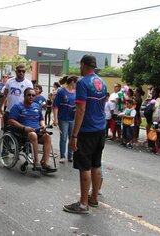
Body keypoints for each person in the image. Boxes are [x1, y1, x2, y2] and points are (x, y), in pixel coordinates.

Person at [63, 55, 107, 214]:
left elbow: (80, 110)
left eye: (80, 65)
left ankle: (83, 203)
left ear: (83, 65)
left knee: (84, 166)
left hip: (87, 130)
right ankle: (93, 198)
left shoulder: (82, 82)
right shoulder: (101, 82)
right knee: (96, 164)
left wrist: (74, 136)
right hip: (100, 129)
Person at [9, 87, 56, 172]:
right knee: (33, 134)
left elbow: (41, 119)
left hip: (37, 131)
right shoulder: (17, 106)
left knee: (48, 137)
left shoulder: (37, 106)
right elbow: (11, 121)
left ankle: (45, 163)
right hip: (23, 133)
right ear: (24, 96)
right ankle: (36, 162)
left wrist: (43, 126)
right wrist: (24, 128)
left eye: (33, 95)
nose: (31, 97)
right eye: (29, 95)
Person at [0, 65, 33, 132]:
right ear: (16, 72)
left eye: (23, 71)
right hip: (9, 111)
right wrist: (0, 108)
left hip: (22, 112)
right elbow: (4, 95)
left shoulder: (28, 84)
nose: (21, 73)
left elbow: (31, 99)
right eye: (19, 71)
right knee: (7, 132)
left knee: (20, 133)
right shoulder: (9, 81)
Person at [52, 75, 78, 163]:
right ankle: (62, 155)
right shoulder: (61, 91)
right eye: (76, 83)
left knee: (72, 137)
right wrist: (55, 119)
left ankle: (70, 156)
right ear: (72, 82)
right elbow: (55, 106)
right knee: (63, 137)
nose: (77, 85)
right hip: (63, 118)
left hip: (73, 118)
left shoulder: (76, 92)